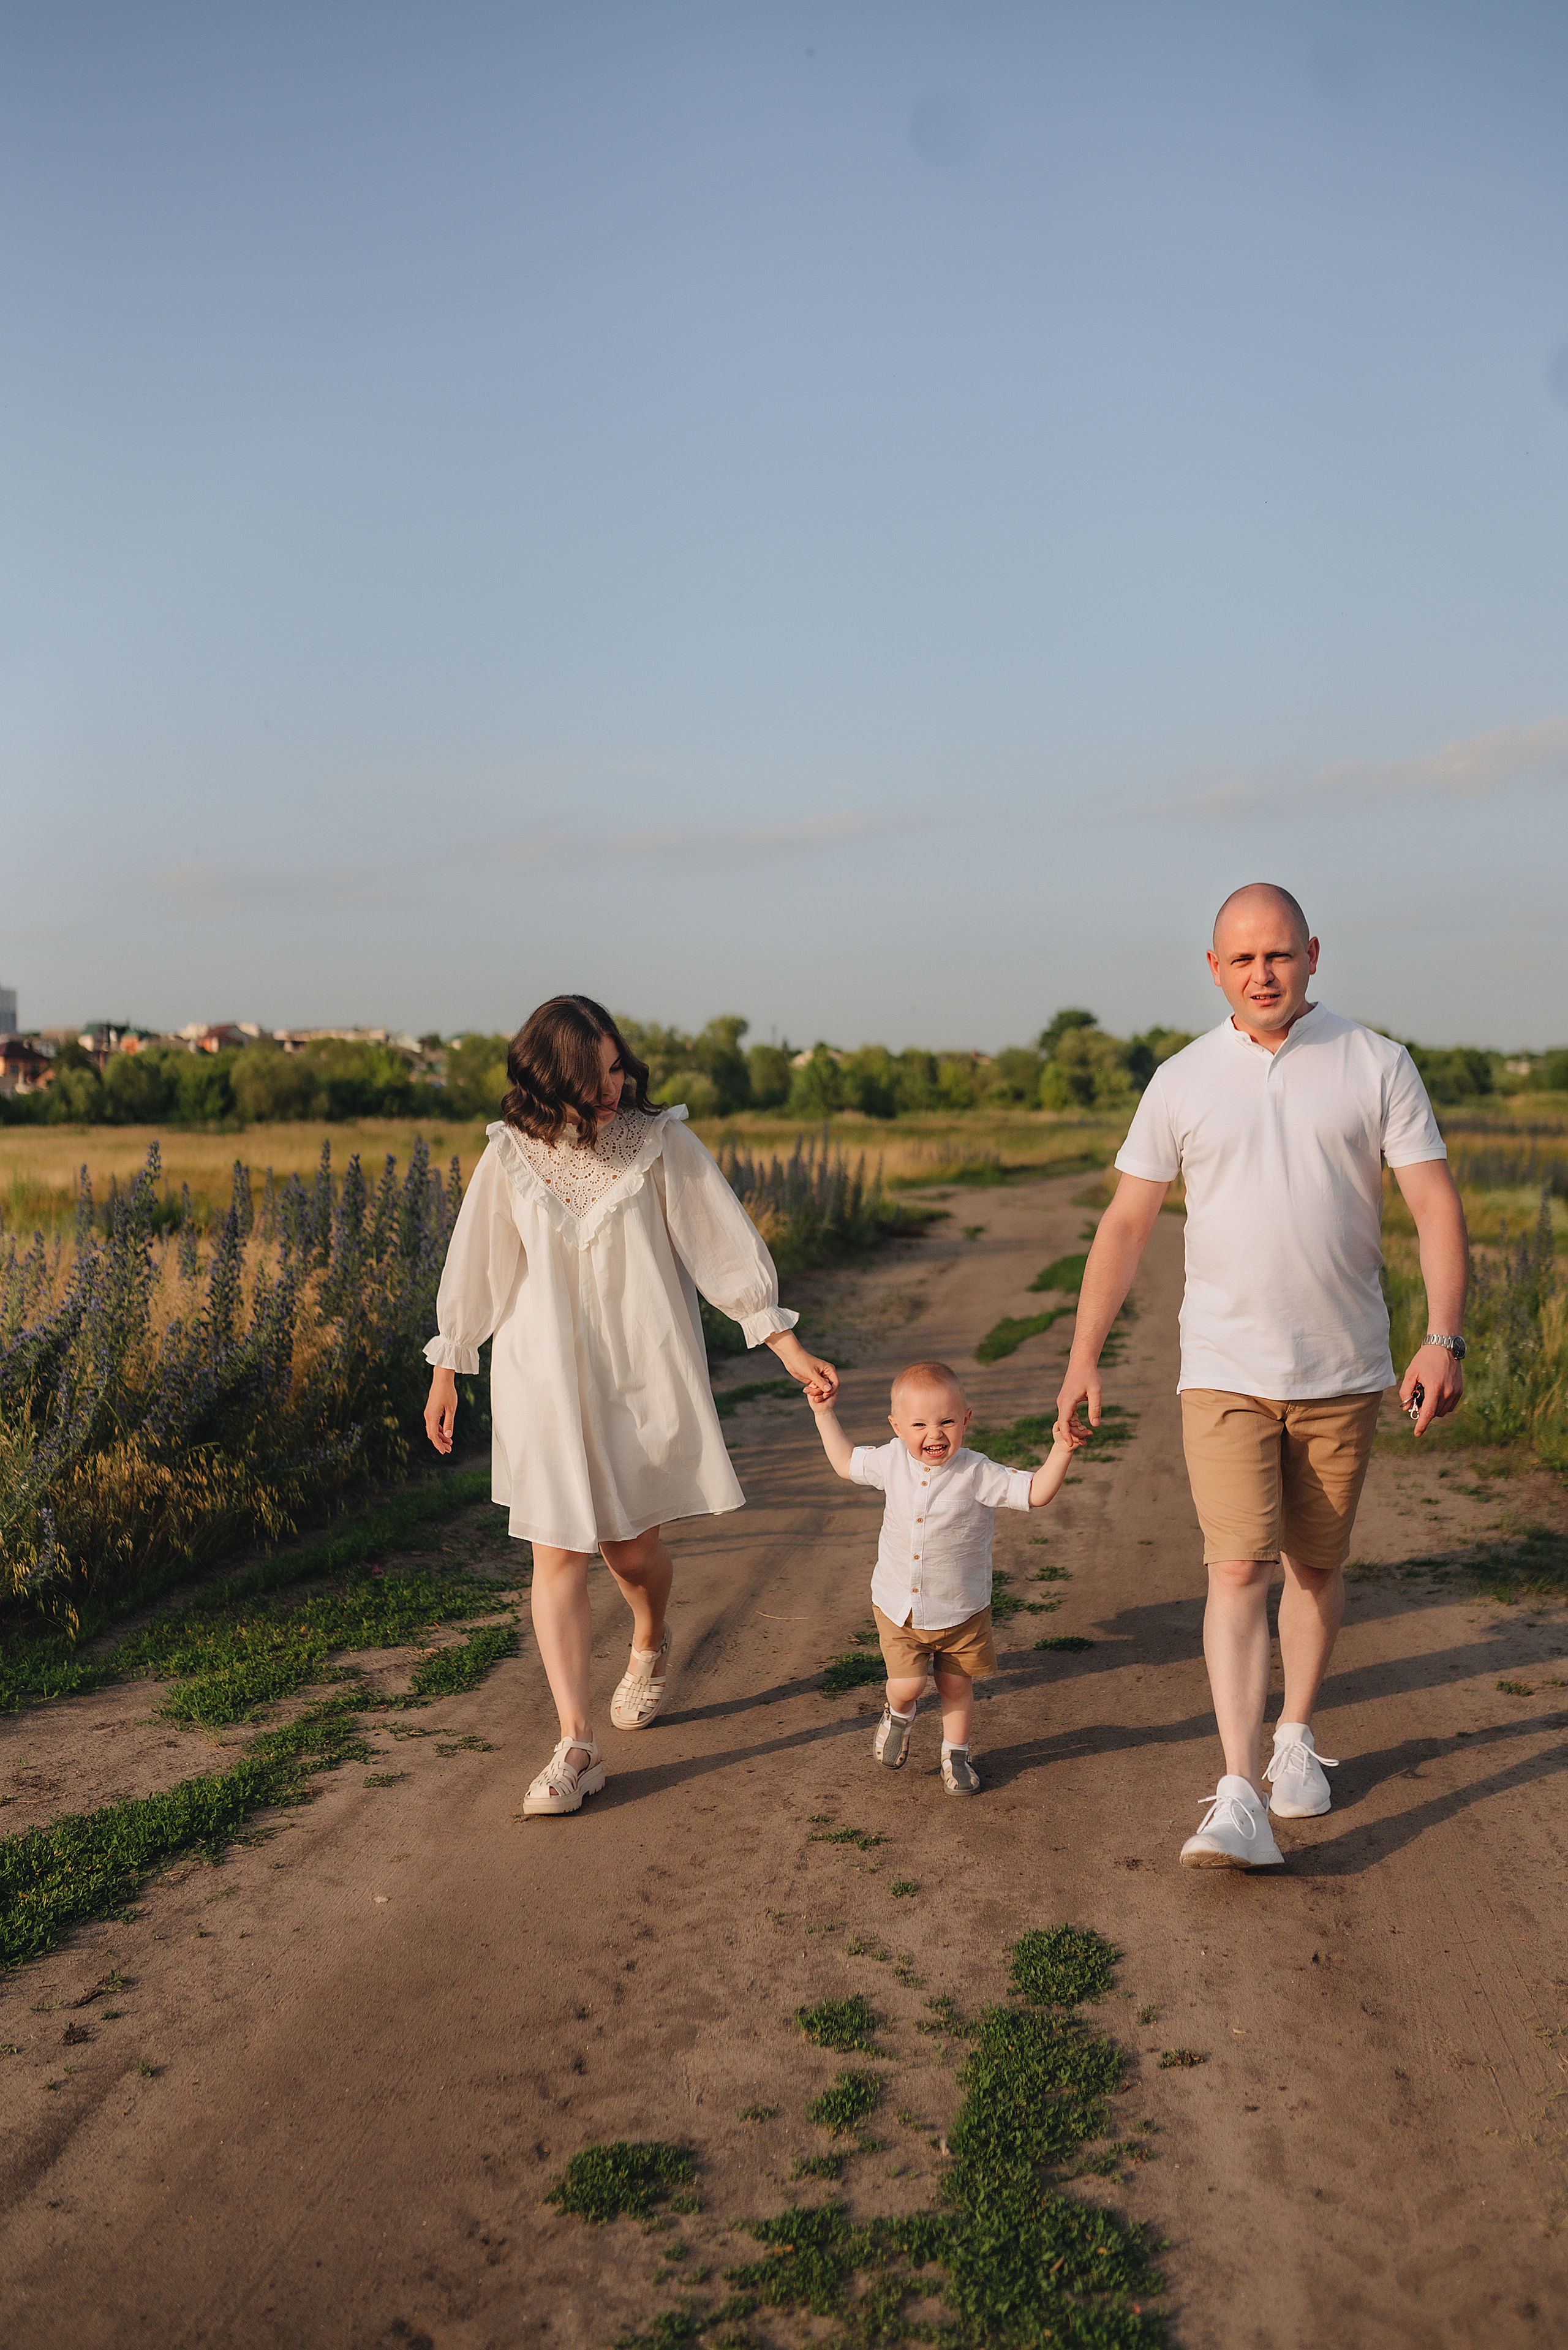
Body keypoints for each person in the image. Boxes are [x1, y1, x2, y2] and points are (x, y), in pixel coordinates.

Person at [1057, 884, 1468, 1869]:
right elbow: (1125, 1224)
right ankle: (1238, 1790)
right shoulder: (1183, 1078)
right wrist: (1083, 1356)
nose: (1262, 974)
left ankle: (1295, 1737)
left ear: (1313, 955)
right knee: (1235, 1565)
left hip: (1344, 1367)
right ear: (1214, 969)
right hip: (1224, 1369)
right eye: (1242, 960)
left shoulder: (1377, 1064)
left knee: (1314, 1567)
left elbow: (1435, 1205)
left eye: (1278, 955)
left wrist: (1442, 1337)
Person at [422, 993, 837, 1817]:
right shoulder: (507, 1156)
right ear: (551, 1077)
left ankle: (650, 1636)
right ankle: (576, 1745)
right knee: (556, 1555)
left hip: (635, 1375)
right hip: (540, 1381)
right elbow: (478, 1268)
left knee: (629, 1555)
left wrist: (781, 1340)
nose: (613, 1085)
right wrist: (449, 1363)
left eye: (616, 1067)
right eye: (595, 1073)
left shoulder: (662, 1143)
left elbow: (722, 1245)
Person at [806, 1358, 1085, 1793]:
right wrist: (824, 1413)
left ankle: (956, 1753)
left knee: (956, 1686)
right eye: (919, 1423)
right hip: (900, 1607)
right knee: (908, 1685)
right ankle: (899, 1712)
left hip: (962, 1611)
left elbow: (1035, 1492)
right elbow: (844, 1461)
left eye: (947, 1421)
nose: (934, 1434)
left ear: (966, 1420)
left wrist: (1061, 1451)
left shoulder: (978, 1472)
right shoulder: (891, 1459)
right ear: (896, 1426)